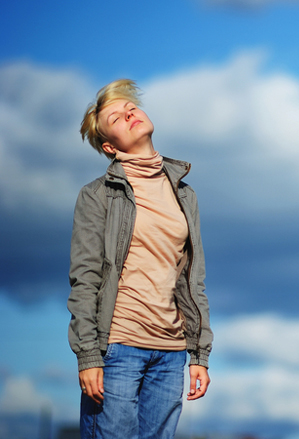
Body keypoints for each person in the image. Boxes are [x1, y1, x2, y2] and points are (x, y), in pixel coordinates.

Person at [67, 79, 213, 439]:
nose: (129, 114)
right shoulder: (97, 196)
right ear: (109, 146)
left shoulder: (184, 194)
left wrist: (199, 354)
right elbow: (85, 279)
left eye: (131, 108)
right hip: (118, 347)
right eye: (116, 117)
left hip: (170, 351)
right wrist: (88, 356)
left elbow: (192, 279)